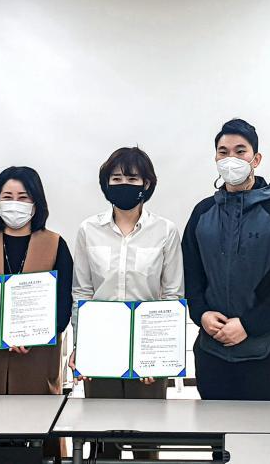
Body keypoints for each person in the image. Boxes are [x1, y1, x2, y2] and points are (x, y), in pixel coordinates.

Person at [70, 147, 183, 459]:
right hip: (101, 348)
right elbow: (82, 293)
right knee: (103, 442)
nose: (124, 184)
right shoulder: (88, 230)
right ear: (105, 183)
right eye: (116, 178)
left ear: (147, 184)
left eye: (132, 179)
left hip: (148, 349)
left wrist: (160, 358)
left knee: (146, 443)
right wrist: (82, 347)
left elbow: (172, 295)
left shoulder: (166, 231)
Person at [182, 119, 270, 401]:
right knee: (214, 426)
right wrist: (201, 314)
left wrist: (249, 325)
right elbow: (191, 273)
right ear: (216, 158)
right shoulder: (202, 213)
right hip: (211, 350)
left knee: (263, 428)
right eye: (223, 152)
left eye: (240, 151)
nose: (231, 159)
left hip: (264, 352)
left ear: (256, 159)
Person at [0, 166, 73, 460]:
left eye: (23, 197)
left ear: (36, 202)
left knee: (37, 434)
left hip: (36, 358)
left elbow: (63, 305)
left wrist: (37, 335)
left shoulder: (55, 244)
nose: (15, 203)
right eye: (7, 196)